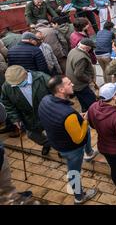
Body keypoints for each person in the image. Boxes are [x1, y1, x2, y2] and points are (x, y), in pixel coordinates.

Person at [39, 75, 98, 204]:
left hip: (56, 140)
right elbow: (78, 138)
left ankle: (89, 153)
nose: (72, 84)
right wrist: (86, 120)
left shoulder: (45, 100)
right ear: (61, 90)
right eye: (69, 83)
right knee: (74, 172)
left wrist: (79, 119)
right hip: (71, 149)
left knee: (85, 130)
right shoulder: (68, 115)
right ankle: (79, 196)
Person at [1, 65, 52, 155]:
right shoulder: (7, 86)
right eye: (14, 84)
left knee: (55, 132)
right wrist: (15, 118)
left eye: (18, 82)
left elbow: (57, 93)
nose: (16, 85)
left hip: (48, 113)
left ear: (26, 74)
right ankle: (47, 143)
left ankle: (60, 148)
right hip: (28, 117)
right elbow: (7, 103)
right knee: (32, 135)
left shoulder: (42, 78)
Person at [65, 38, 97, 112]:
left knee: (83, 102)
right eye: (90, 48)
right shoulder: (82, 57)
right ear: (87, 48)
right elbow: (79, 74)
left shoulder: (73, 50)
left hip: (74, 84)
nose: (91, 50)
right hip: (81, 85)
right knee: (92, 103)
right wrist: (89, 80)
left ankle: (85, 113)